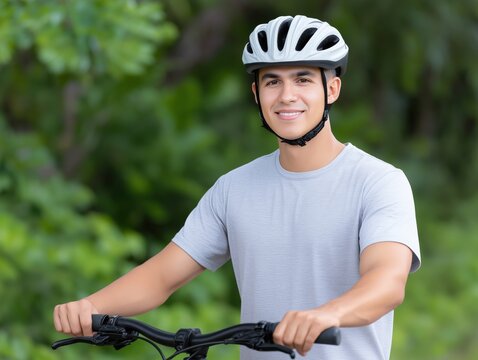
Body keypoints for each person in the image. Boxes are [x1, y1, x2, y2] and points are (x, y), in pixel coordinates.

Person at [53, 15, 421, 359]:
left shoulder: (379, 182)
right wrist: (90, 306)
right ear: (256, 93)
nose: (286, 95)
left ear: (333, 88)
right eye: (272, 81)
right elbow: (162, 276)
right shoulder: (234, 188)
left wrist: (328, 314)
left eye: (303, 79)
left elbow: (386, 281)